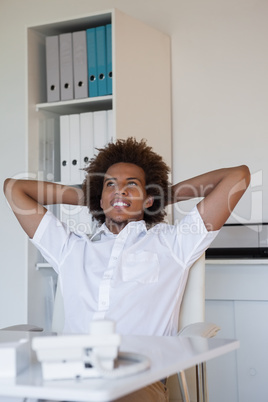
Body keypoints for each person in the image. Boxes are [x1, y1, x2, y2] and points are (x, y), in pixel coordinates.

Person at [3, 137, 250, 401]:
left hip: (137, 379)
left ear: (149, 199)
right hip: (70, 377)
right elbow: (14, 189)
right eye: (111, 184)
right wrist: (90, 196)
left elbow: (238, 176)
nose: (120, 190)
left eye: (132, 184)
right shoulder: (70, 248)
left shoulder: (174, 244)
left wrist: (162, 195)